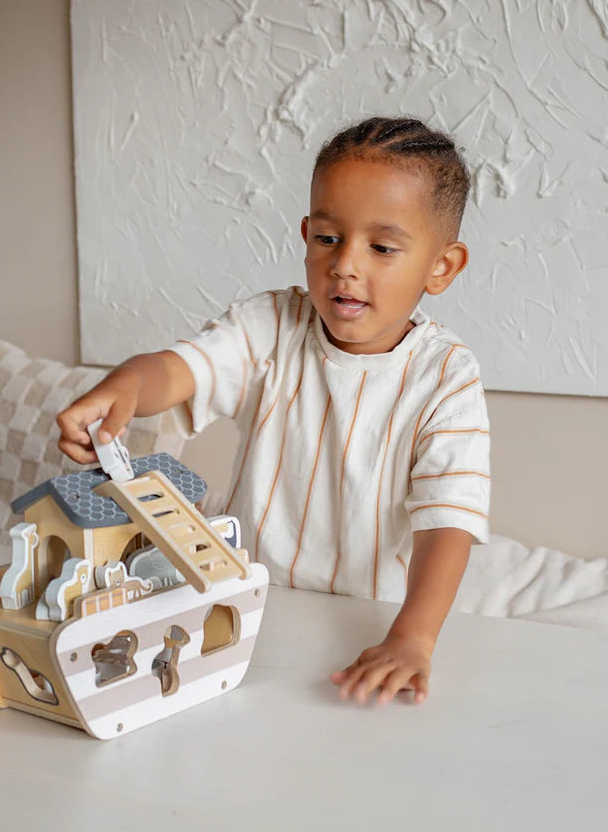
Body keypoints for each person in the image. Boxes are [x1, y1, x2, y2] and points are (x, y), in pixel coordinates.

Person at [57, 116, 490, 708]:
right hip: (239, 606)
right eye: (328, 238)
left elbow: (449, 521)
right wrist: (126, 387)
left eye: (382, 247)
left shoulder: (447, 376)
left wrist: (412, 637)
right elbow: (179, 369)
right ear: (307, 233)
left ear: (441, 266)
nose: (345, 265)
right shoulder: (271, 325)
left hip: (368, 623)